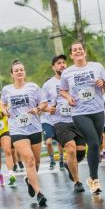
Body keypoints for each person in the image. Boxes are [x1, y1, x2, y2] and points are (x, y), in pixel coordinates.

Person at [60, 42, 105, 194]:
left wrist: (103, 83)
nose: (78, 51)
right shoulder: (67, 72)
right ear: (71, 55)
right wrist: (68, 97)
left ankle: (91, 178)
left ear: (85, 52)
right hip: (79, 112)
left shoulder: (97, 67)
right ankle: (94, 180)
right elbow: (63, 91)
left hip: (97, 110)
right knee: (94, 143)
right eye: (74, 50)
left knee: (96, 146)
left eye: (80, 49)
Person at [1, 59, 47, 206]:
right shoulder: (7, 89)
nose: (19, 72)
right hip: (17, 129)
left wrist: (38, 109)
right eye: (16, 70)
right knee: (29, 160)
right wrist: (5, 110)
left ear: (24, 72)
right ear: (12, 74)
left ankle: (29, 180)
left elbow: (44, 102)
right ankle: (39, 193)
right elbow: (2, 105)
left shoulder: (33, 87)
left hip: (34, 127)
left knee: (37, 161)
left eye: (21, 69)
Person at [42, 54, 86, 193]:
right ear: (53, 67)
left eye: (63, 62)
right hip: (59, 121)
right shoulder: (48, 84)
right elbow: (41, 103)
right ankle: (77, 182)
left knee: (79, 153)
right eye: (58, 63)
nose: (62, 65)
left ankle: (69, 165)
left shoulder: (73, 78)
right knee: (71, 149)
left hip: (77, 118)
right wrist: (49, 108)